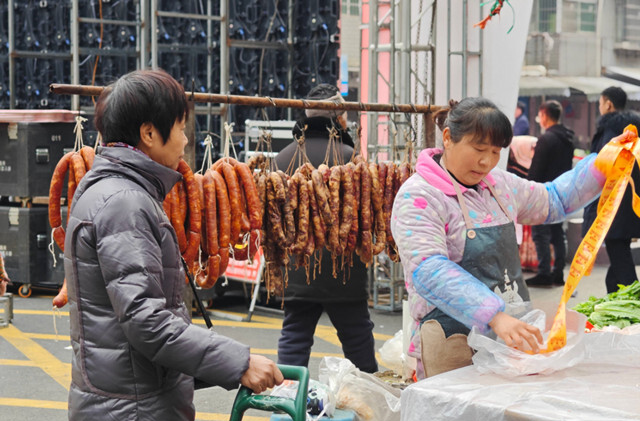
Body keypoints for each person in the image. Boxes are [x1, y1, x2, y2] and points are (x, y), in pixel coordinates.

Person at [63, 69, 283, 420]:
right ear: (149, 133)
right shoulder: (124, 203)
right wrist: (237, 361)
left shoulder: (114, 191)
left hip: (126, 399)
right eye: (181, 128)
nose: (184, 141)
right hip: (133, 409)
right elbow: (145, 320)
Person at [391, 97, 607, 379]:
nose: (486, 161)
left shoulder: (501, 186)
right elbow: (429, 269)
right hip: (453, 343)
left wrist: (603, 165)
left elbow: (554, 200)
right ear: (448, 137)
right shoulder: (419, 196)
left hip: (512, 339)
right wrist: (493, 315)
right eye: (478, 148)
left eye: (495, 152)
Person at [274, 84, 378, 374]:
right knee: (357, 341)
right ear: (339, 117)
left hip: (297, 270)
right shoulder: (350, 156)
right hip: (346, 271)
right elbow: (365, 214)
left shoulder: (282, 157)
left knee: (294, 339)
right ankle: (369, 408)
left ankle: (286, 405)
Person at [582, 86, 640, 293]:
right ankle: (615, 295)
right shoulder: (633, 130)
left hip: (614, 203)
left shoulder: (610, 131)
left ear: (608, 104)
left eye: (600, 103)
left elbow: (600, 168)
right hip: (631, 201)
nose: (599, 107)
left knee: (619, 252)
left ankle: (632, 300)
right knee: (619, 252)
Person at [526, 100, 575, 287]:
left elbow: (536, 171)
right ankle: (558, 273)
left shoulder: (546, 139)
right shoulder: (568, 138)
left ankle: (544, 273)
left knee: (541, 233)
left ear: (545, 116)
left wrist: (529, 188)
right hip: (562, 192)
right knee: (557, 232)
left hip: (544, 192)